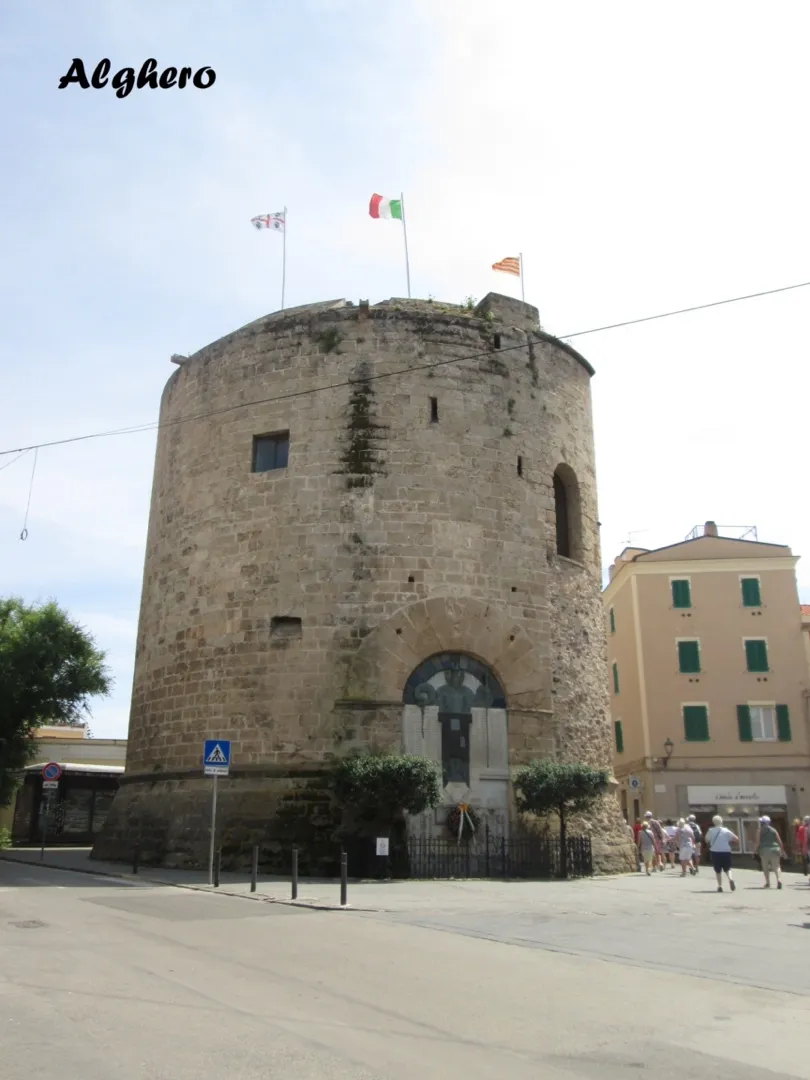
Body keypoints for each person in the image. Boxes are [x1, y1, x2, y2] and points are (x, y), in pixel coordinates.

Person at [705, 815, 738, 893]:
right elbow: (736, 838)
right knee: (727, 868)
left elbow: (706, 840)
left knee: (718, 870)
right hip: (726, 851)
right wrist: (728, 841)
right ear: (721, 821)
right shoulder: (726, 830)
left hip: (715, 851)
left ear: (713, 822)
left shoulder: (711, 830)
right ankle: (730, 879)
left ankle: (720, 886)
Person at [756, 815, 786, 889]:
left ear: (761, 823)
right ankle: (779, 880)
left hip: (764, 850)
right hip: (775, 850)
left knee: (765, 867)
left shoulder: (759, 831)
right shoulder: (773, 830)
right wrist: (782, 851)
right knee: (777, 866)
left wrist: (754, 851)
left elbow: (758, 843)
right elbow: (780, 841)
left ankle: (768, 883)